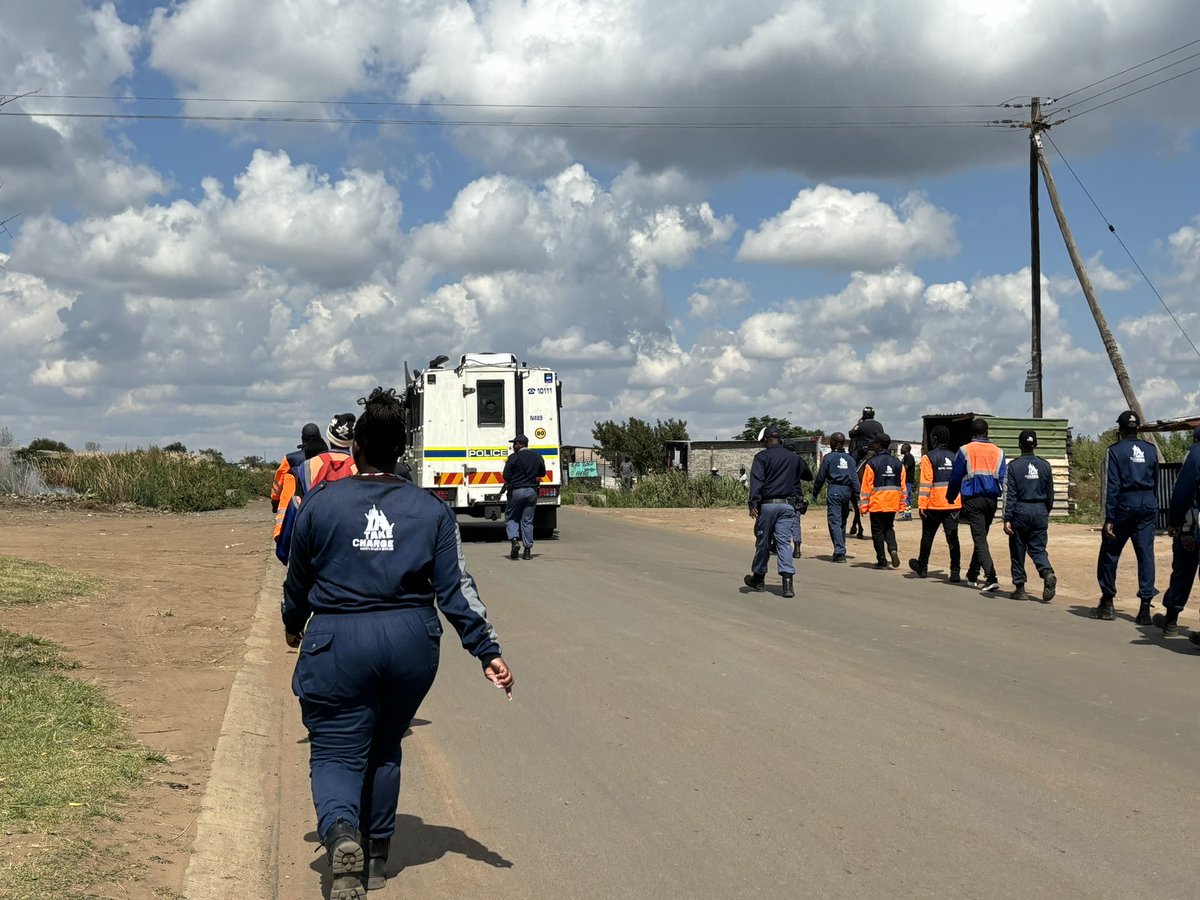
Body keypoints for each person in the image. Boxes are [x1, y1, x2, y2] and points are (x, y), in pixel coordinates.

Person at [282, 387, 513, 899]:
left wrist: (292, 622)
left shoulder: (321, 505)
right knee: (386, 746)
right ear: (399, 454)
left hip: (339, 638)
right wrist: (487, 651)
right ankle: (377, 857)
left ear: (356, 450)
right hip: (411, 641)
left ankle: (343, 833)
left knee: (339, 749)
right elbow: (457, 590)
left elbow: (297, 579)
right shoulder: (430, 510)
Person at [1093, 410, 1159, 623]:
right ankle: (1145, 607)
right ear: (1137, 428)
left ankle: (1108, 601)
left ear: (1119, 430)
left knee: (1110, 552)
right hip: (1148, 503)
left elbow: (1112, 485)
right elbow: (1156, 479)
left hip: (1125, 504)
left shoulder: (1114, 451)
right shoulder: (1150, 450)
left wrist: (1109, 518)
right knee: (1146, 554)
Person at [274, 413, 358, 564]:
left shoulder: (305, 466)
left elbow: (293, 504)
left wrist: (283, 545)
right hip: (349, 547)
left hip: (313, 545)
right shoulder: (359, 468)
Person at [946, 418, 1006, 593]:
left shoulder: (965, 450)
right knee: (981, 537)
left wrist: (951, 496)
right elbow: (1004, 478)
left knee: (979, 538)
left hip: (973, 499)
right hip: (992, 500)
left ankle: (991, 577)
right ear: (986, 432)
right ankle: (973, 573)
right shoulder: (998, 452)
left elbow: (956, 477)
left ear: (972, 433)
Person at [744, 425, 800, 598]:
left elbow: (757, 481)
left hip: (767, 505)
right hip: (787, 506)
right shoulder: (793, 458)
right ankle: (787, 585)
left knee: (763, 542)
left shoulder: (761, 457)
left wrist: (753, 502)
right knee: (783, 542)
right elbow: (803, 477)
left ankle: (759, 578)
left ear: (767, 440)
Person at [1155, 426, 1200, 636]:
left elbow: (1183, 491)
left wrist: (1174, 522)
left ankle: (1171, 621)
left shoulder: (1195, 454)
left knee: (1183, 569)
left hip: (1194, 524)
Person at [1003, 429, 1057, 602]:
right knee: (1038, 548)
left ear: (1019, 445)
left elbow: (1009, 494)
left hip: (1020, 511)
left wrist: (1007, 517)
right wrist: (1045, 510)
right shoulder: (1045, 465)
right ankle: (1047, 572)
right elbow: (1050, 494)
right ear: (1035, 445)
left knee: (1018, 549)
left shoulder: (1013, 466)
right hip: (1040, 510)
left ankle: (1020, 587)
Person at [908, 426, 962, 582]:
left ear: (936, 438)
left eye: (932, 437)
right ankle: (955, 571)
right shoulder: (956, 457)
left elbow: (925, 484)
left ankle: (922, 567)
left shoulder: (929, 457)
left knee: (927, 536)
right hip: (953, 504)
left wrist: (921, 505)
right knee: (953, 538)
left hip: (934, 504)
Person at [859, 433, 906, 568]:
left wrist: (863, 506)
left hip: (877, 503)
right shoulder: (898, 464)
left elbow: (866, 487)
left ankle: (882, 561)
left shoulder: (872, 463)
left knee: (877, 532)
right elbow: (903, 486)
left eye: (874, 444)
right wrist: (902, 505)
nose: (873, 446)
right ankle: (893, 548)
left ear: (878, 445)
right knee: (889, 528)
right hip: (892, 502)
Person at [812, 432, 859, 563]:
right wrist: (858, 493)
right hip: (847, 492)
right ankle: (840, 548)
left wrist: (815, 492)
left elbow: (821, 477)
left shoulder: (828, 458)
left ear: (833, 443)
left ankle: (840, 552)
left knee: (834, 522)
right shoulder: (850, 459)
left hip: (834, 490)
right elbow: (854, 478)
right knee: (842, 522)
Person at [502, 433, 546, 560]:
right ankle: (527, 550)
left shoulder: (513, 457)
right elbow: (542, 472)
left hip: (516, 491)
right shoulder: (537, 456)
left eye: (515, 443)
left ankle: (515, 541)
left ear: (521, 444)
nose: (513, 446)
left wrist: (515, 478)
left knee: (512, 518)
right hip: (531, 491)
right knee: (527, 521)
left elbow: (506, 476)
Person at [271, 423, 327, 512]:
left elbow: (279, 481)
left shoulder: (290, 459)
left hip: (294, 504)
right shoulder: (327, 458)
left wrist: (275, 500)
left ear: (302, 439)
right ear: (320, 437)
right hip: (321, 503)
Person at [847, 407, 883, 540]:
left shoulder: (861, 425)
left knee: (850, 467)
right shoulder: (879, 425)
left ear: (863, 415)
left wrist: (858, 423)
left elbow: (851, 434)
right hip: (876, 451)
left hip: (862, 451)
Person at [783, 439, 814, 558]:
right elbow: (809, 476)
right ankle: (797, 549)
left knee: (779, 521)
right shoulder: (798, 460)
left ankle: (778, 544)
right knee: (796, 522)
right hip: (796, 494)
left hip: (782, 494)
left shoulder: (781, 459)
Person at [899, 443, 916, 521]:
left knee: (907, 497)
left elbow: (905, 468)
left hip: (908, 480)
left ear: (906, 449)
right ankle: (905, 514)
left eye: (902, 448)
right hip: (904, 481)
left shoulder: (909, 457)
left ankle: (907, 515)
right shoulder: (905, 457)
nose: (900, 449)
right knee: (905, 497)